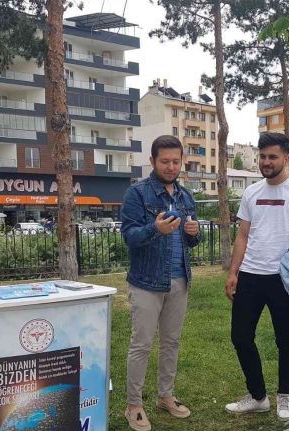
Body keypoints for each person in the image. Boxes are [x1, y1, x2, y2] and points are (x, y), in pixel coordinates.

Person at [225, 132, 289, 422]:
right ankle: (258, 397)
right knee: (240, 337)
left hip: (284, 278)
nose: (266, 162)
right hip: (250, 276)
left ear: (286, 157)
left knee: (285, 340)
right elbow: (242, 235)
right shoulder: (251, 192)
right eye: (262, 156)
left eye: (272, 157)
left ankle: (285, 396)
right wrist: (233, 272)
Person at [121, 135, 202, 431]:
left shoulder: (185, 196)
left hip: (179, 280)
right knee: (141, 344)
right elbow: (129, 236)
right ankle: (134, 405)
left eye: (176, 161)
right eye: (165, 161)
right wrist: (155, 229)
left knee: (171, 342)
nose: (171, 167)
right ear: (152, 161)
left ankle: (165, 396)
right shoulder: (137, 193)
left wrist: (194, 233)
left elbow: (192, 242)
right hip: (146, 281)